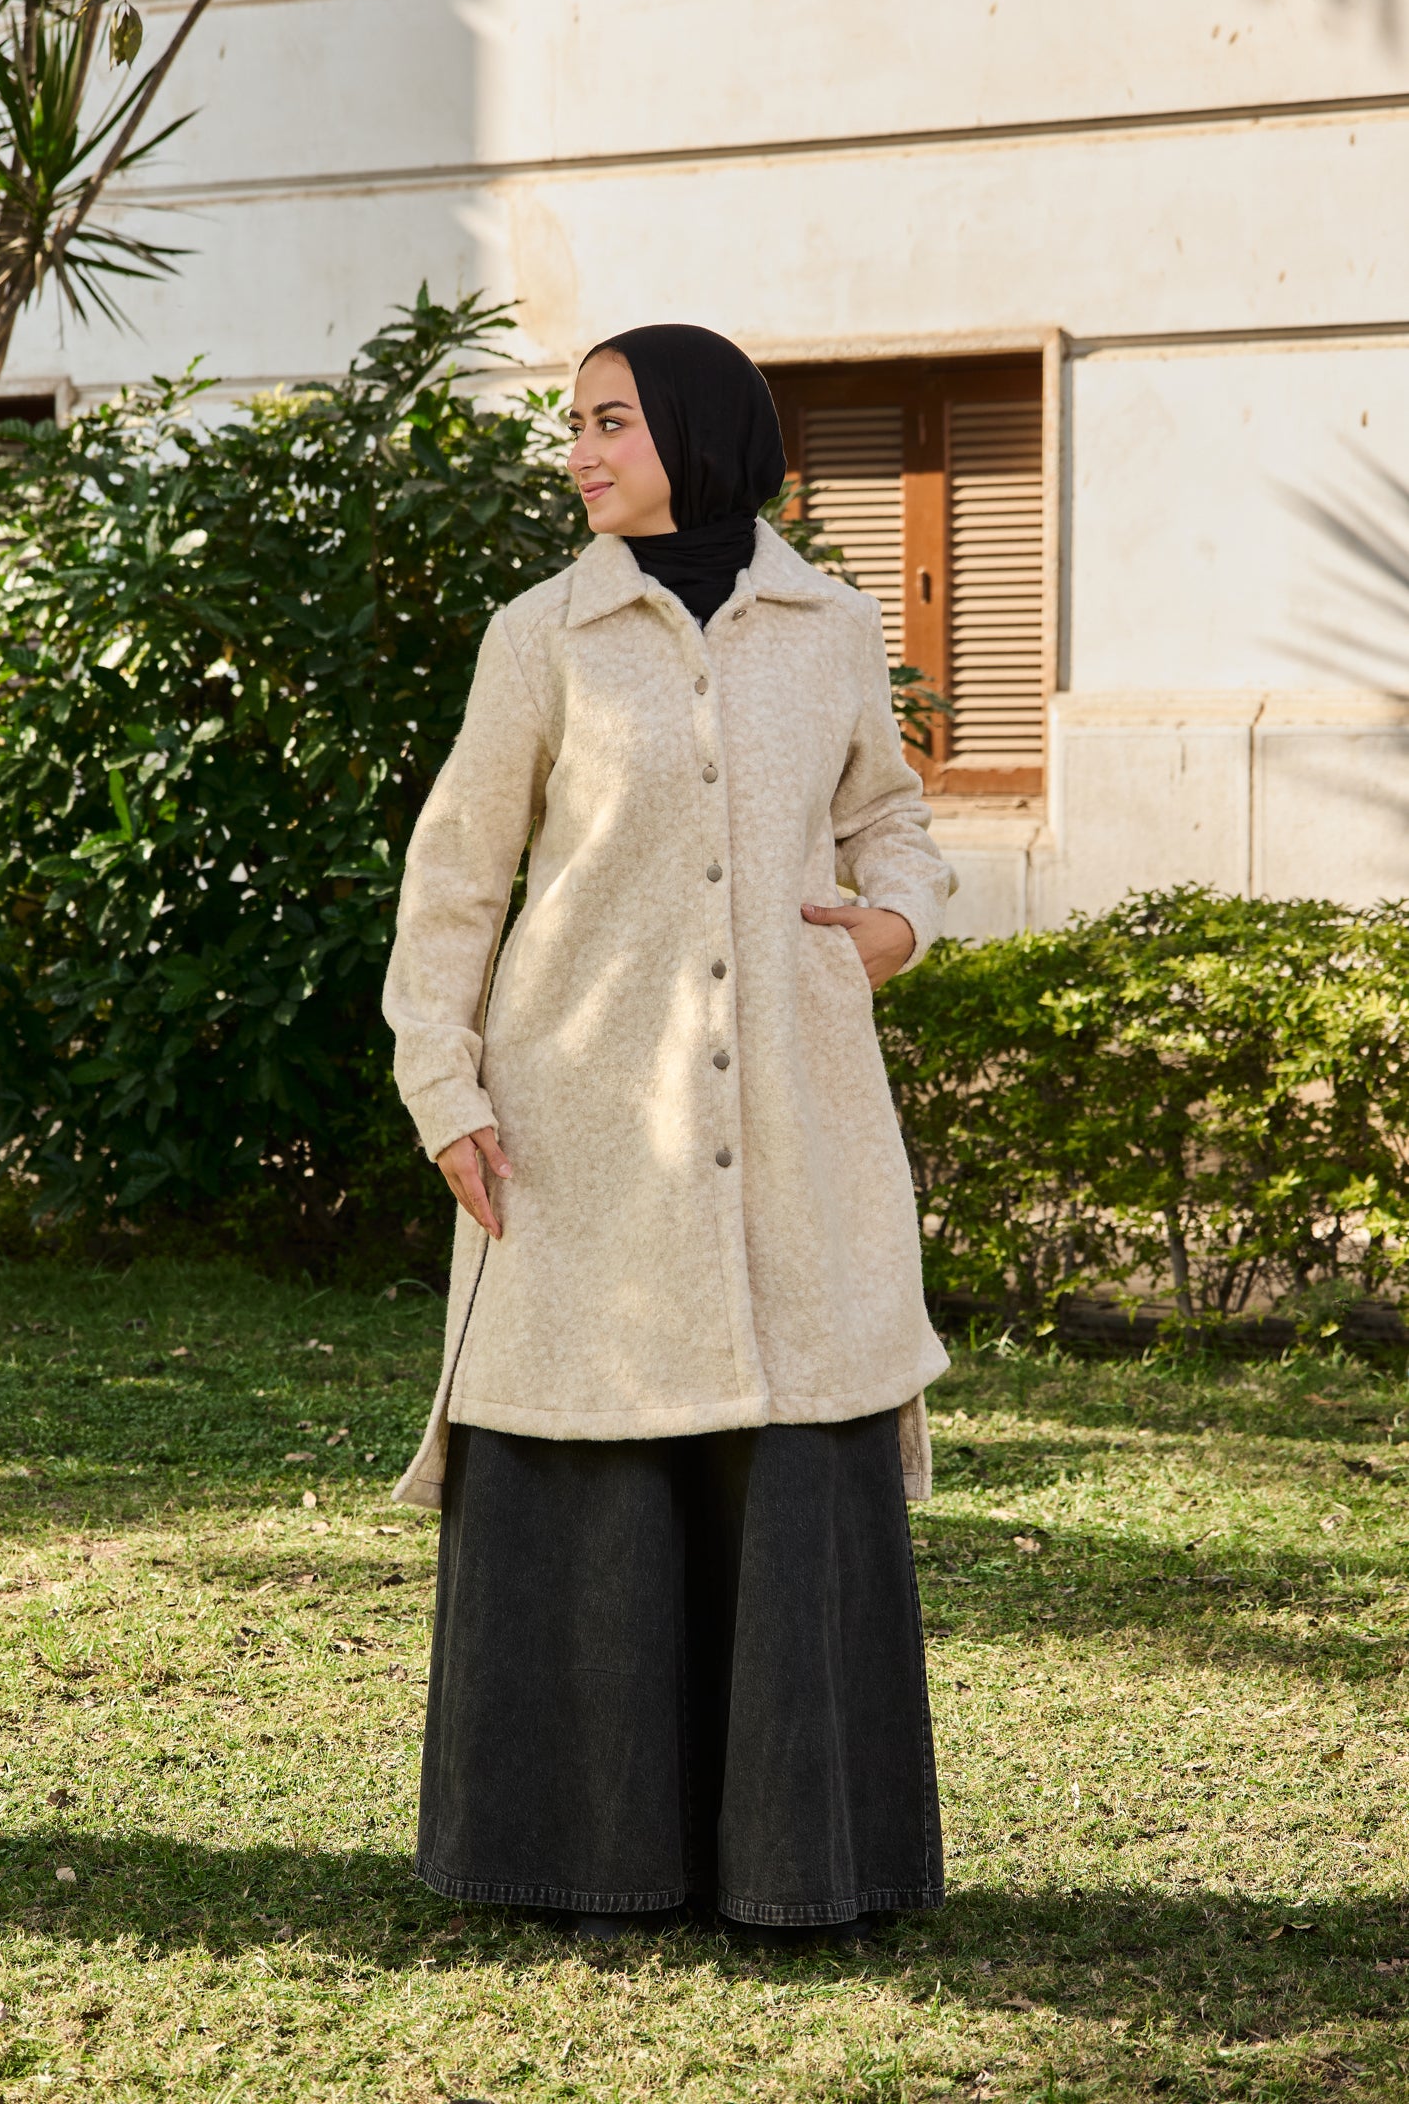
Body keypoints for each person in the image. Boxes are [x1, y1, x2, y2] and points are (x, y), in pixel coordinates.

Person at [382, 323, 958, 1943]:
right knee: (589, 1440)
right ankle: (582, 1860)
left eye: (609, 422)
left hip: (792, 1116)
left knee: (794, 1425)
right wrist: (445, 1087)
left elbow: (887, 811)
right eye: (573, 424)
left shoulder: (830, 626)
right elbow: (453, 878)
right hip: (578, 1130)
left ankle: (796, 1864)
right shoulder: (540, 637)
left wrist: (895, 923)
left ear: (698, 434)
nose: (578, 452)